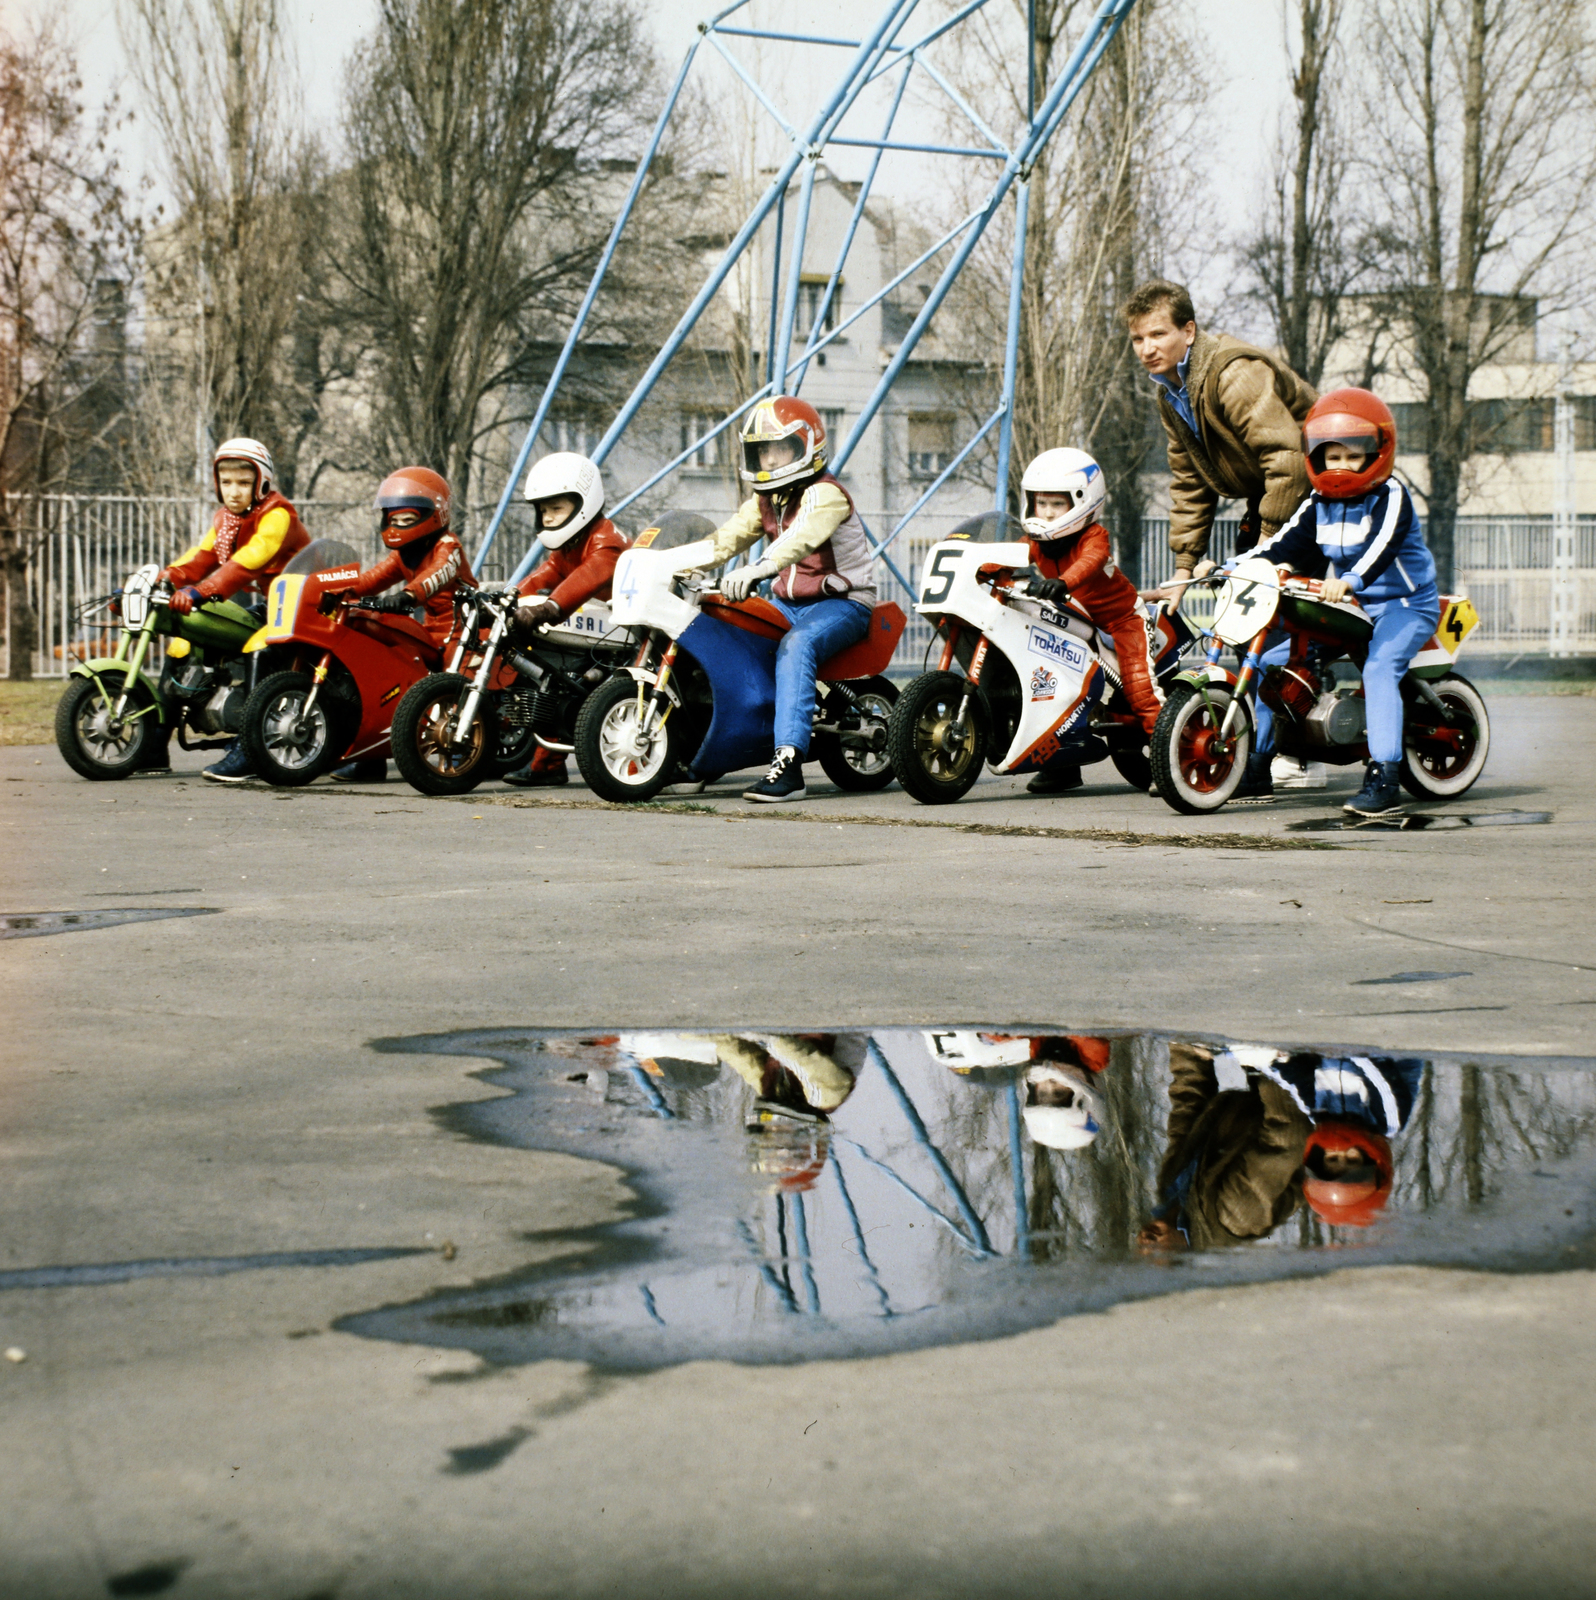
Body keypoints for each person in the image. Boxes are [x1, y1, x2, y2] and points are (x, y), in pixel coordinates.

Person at [1124, 280, 1323, 794]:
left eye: (1158, 333)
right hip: (1270, 497)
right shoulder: (1171, 392)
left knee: (1281, 623)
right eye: (1137, 338)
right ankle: (1250, 747)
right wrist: (1184, 567)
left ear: (1188, 331)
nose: (1147, 348)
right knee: (1241, 623)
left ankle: (1298, 751)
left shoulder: (1231, 374)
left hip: (1316, 492)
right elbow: (1189, 482)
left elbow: (1287, 460)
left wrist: (1270, 549)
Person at [1233, 388, 1440, 817]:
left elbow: (1382, 545)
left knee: (1380, 667)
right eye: (1332, 456)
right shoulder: (1318, 502)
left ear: (1377, 453)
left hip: (1406, 605)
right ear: (1316, 456)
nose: (1341, 465)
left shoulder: (1391, 496)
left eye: (1352, 455)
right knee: (1274, 662)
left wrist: (1349, 580)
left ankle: (1385, 776)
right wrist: (1230, 565)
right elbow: (1282, 542)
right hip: (1355, 608)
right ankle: (1258, 766)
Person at [699, 397, 877, 803]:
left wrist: (756, 570)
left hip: (844, 603)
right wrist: (673, 561)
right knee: (730, 633)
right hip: (788, 604)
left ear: (806, 446)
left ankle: (790, 763)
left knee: (797, 644)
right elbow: (724, 540)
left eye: (779, 449)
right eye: (763, 450)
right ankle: (710, 754)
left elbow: (800, 539)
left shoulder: (825, 493)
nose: (770, 459)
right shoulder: (768, 500)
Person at [162, 437, 310, 784]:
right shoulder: (226, 520)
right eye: (226, 482)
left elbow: (248, 561)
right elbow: (199, 558)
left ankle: (251, 747)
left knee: (258, 648)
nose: (234, 491)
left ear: (262, 482)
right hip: (272, 605)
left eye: (244, 483)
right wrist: (164, 578)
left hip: (300, 605)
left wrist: (202, 591)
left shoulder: (278, 515)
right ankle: (154, 744)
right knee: (181, 643)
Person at [1017, 448, 1165, 795]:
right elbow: (1006, 556)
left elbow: (1090, 561)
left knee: (1140, 689)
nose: (1048, 513)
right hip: (1077, 622)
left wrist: (1064, 582)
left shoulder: (1094, 536)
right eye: (1042, 504)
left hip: (1122, 620)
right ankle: (1063, 763)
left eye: (1058, 504)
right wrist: (978, 566)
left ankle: (1166, 763)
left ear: (1083, 502)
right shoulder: (1035, 543)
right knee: (1055, 686)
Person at [331, 466, 476, 782]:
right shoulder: (404, 554)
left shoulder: (447, 546)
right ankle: (371, 757)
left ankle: (464, 748)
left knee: (452, 683)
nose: (397, 526)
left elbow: (436, 574)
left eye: (407, 519)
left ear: (433, 515)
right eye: (392, 518)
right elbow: (372, 578)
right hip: (430, 628)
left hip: (466, 628)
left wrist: (407, 596)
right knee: (387, 674)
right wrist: (338, 588)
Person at [503, 451, 629, 788]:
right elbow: (545, 574)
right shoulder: (568, 546)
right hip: (597, 635)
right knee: (553, 677)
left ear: (583, 502)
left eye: (557, 508)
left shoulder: (607, 541)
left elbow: (587, 577)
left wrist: (548, 608)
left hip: (627, 639)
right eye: (543, 510)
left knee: (582, 680)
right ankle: (547, 764)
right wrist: (508, 598)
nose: (548, 517)